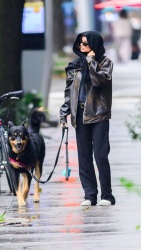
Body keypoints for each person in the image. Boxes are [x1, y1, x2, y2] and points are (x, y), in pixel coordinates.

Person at [60, 31, 115, 206]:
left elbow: (99, 81)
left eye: (85, 43)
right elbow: (69, 92)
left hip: (98, 114)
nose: (82, 46)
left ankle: (107, 195)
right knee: (84, 157)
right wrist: (64, 112)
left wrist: (91, 62)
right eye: (80, 43)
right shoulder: (74, 66)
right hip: (80, 114)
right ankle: (89, 195)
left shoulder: (105, 63)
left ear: (94, 44)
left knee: (100, 156)